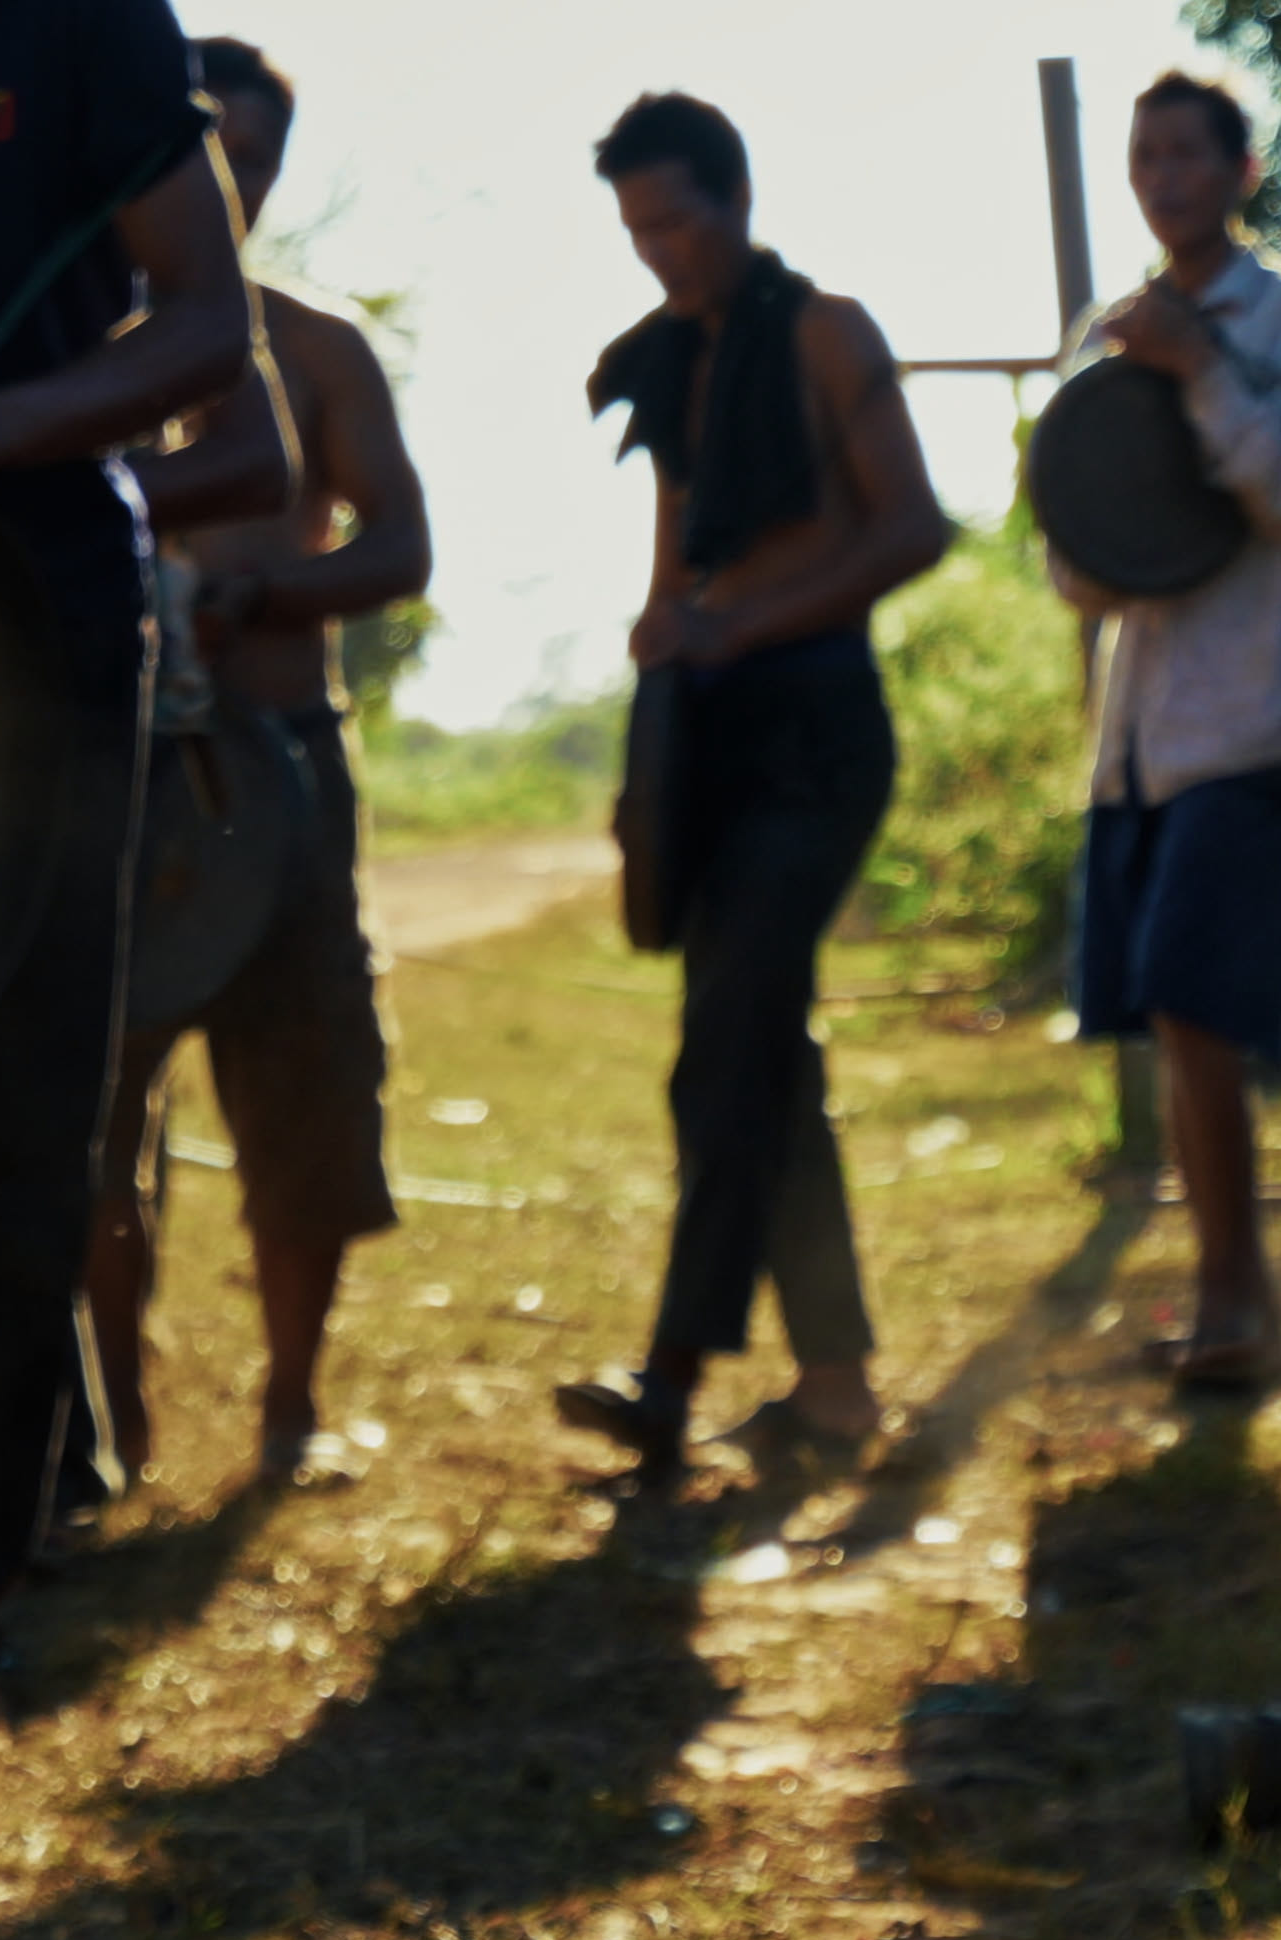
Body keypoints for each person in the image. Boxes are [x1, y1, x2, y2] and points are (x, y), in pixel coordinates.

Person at [0, 0, 291, 1732]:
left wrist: (3, 432)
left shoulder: (79, 25)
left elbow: (206, 327)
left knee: (22, 1151)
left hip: (34, 647)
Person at [551, 91, 948, 1480]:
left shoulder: (829, 333)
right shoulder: (672, 364)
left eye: (675, 218)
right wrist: (647, 761)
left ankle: (670, 1374)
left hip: (819, 727)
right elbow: (675, 573)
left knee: (727, 1046)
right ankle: (834, 1386)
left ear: (735, 199)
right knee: (763, 1049)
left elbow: (913, 529)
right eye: (636, 228)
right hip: (705, 734)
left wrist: (745, 629)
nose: (657, 248)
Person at [86, 35, 434, 1493]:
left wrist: (265, 597)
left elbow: (402, 549)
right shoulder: (73, 347)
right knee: (90, 1108)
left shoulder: (318, 348)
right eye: (203, 147)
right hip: (115, 772)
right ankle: (108, 1424)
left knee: (304, 1089)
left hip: (282, 759)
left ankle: (290, 1409)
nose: (228, 178)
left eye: (253, 156)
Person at [1047, 72, 1281, 1394]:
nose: (1163, 177)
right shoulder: (1106, 335)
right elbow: (1081, 565)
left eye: (1188, 154)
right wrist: (1122, 510)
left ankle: (1239, 1299)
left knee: (1195, 1003)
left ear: (1242, 171)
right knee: (1173, 1025)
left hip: (1254, 726)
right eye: (1145, 157)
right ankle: (1223, 1295)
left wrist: (1200, 377)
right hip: (1141, 741)